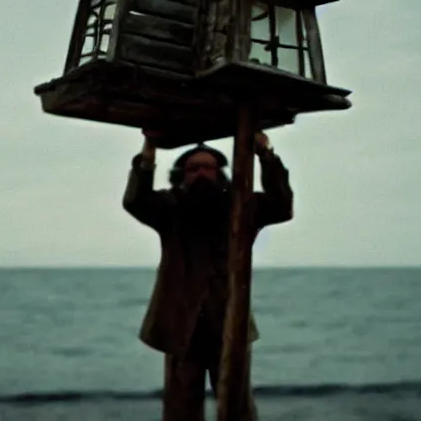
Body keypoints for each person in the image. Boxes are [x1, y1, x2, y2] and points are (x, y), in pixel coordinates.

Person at [122, 130, 293, 421]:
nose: (201, 174)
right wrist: (149, 151)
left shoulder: (241, 207)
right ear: (182, 175)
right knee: (181, 406)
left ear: (219, 173)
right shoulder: (171, 207)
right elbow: (136, 201)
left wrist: (265, 155)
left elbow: (281, 205)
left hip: (229, 320)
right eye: (193, 168)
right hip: (181, 322)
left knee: (237, 405)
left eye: (208, 168)